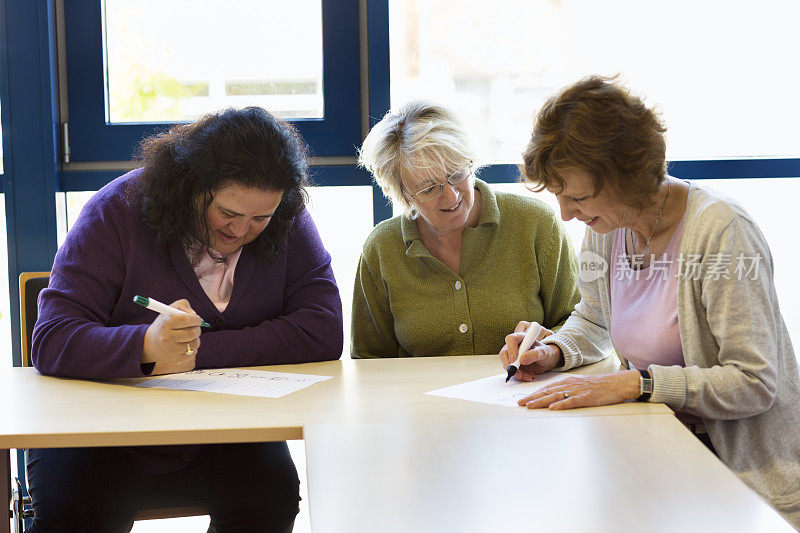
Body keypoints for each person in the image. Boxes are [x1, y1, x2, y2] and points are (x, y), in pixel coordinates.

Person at [499, 75, 800, 527]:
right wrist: (552, 352)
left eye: (578, 197)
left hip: (742, 481)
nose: (566, 214)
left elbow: (754, 383)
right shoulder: (607, 226)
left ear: (629, 178)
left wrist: (637, 383)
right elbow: (595, 318)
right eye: (561, 197)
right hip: (657, 449)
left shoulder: (721, 231)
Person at [28, 107, 343, 532]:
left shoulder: (285, 217)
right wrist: (144, 347)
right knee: (76, 513)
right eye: (228, 213)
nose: (241, 231)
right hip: (99, 436)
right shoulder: (117, 211)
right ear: (191, 185)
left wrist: (193, 352)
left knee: (271, 498)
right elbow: (52, 340)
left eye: (259, 219)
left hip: (226, 428)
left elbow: (323, 329)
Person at [352, 100, 580, 358]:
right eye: (428, 188)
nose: (451, 197)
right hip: (420, 398)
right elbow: (368, 359)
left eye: (457, 174)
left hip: (522, 391)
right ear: (404, 196)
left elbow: (580, 324)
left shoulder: (535, 223)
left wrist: (547, 349)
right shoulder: (382, 247)